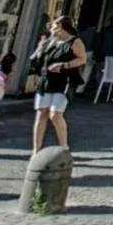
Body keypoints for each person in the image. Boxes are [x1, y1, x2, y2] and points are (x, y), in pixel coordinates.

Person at [30, 16, 86, 154]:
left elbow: (82, 59)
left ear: (61, 28)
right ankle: (36, 149)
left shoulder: (74, 41)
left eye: (53, 27)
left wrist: (64, 65)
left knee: (55, 114)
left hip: (64, 81)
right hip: (47, 79)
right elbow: (36, 59)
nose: (51, 30)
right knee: (41, 113)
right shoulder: (51, 42)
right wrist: (40, 49)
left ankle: (64, 147)